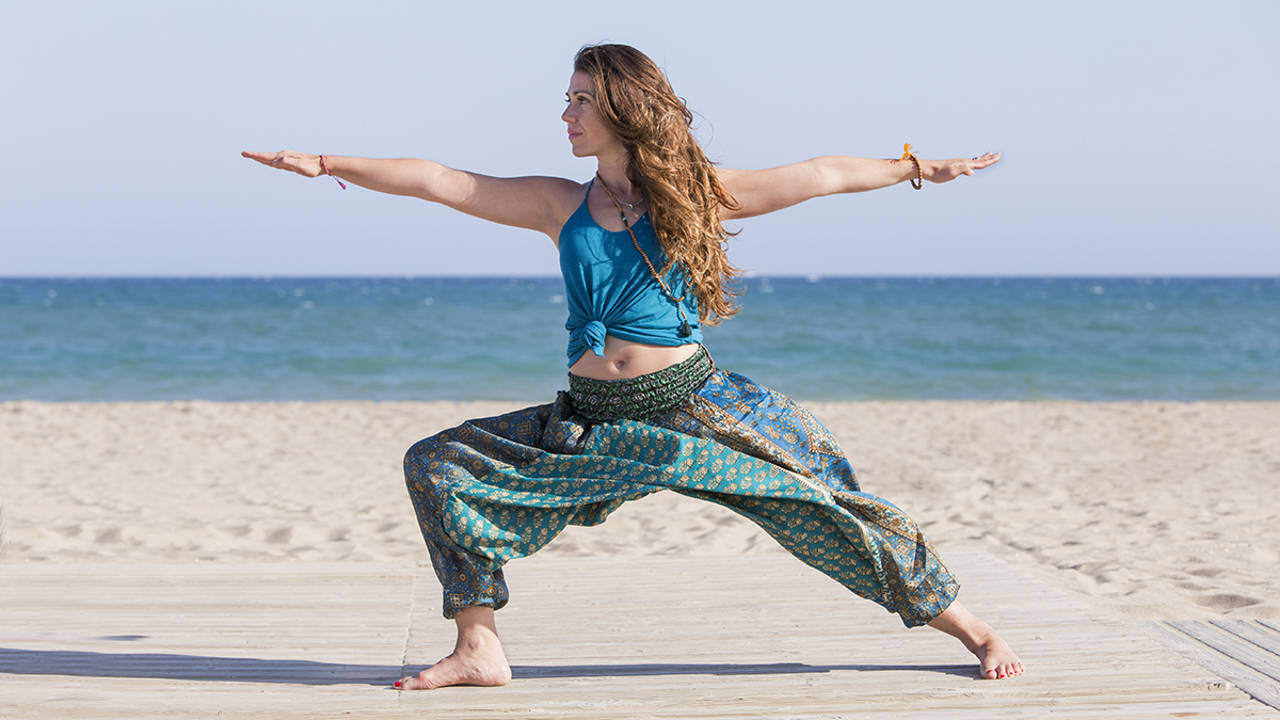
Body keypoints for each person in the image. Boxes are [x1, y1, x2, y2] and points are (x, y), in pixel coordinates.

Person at [243, 43, 1023, 690]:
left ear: (620, 108)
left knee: (826, 502)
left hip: (696, 404)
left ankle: (974, 630)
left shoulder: (696, 196)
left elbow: (819, 175)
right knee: (438, 464)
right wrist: (325, 160)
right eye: (569, 98)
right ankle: (478, 646)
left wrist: (917, 167)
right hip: (591, 420)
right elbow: (445, 182)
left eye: (580, 99)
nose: (565, 114)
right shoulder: (559, 204)